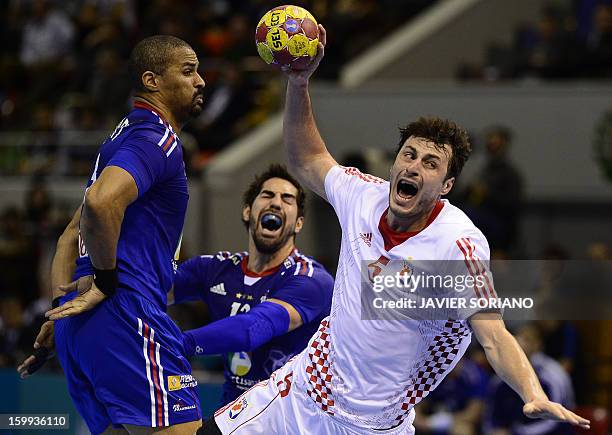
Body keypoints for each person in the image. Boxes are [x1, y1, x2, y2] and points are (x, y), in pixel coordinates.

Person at [202, 25, 590, 435]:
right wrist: (298, 82)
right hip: (301, 392)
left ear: (445, 187)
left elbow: (493, 334)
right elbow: (307, 158)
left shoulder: (458, 243)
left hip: (373, 425)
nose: (414, 166)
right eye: (409, 154)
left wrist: (532, 391)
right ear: (394, 163)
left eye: (430, 163)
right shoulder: (363, 195)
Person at [17, 35, 206, 435]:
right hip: (126, 312)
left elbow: (71, 233)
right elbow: (102, 204)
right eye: (188, 71)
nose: (201, 80)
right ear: (152, 81)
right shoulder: (157, 138)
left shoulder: (116, 140)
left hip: (81, 326)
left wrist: (60, 305)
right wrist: (105, 279)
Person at [171, 164, 334, 405]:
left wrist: (180, 344)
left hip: (293, 416)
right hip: (234, 410)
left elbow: (252, 329)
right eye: (267, 195)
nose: (276, 203)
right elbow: (151, 292)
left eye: (287, 199)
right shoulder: (216, 268)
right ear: (248, 211)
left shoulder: (311, 280)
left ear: (298, 223)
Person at [482, 323, 576, 435]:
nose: (520, 342)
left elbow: (556, 420)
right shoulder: (499, 379)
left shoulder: (553, 376)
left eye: (527, 339)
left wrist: (516, 433)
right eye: (516, 338)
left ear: (538, 345)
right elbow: (490, 415)